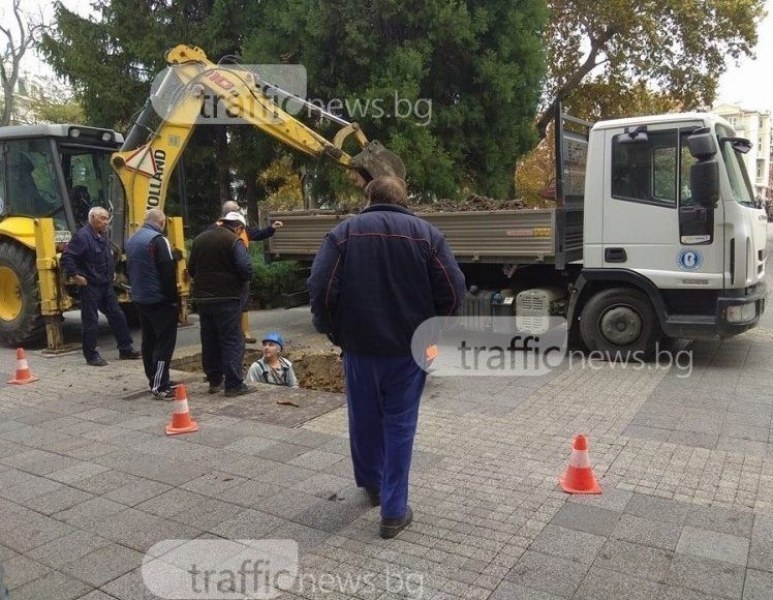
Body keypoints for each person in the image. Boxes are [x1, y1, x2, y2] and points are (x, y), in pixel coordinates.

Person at [308, 176, 466, 539]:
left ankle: (373, 485)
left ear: (368, 198)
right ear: (404, 199)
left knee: (363, 418)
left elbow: (320, 287)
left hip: (360, 349)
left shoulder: (343, 234)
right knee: (400, 424)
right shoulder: (428, 234)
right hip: (409, 351)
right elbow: (454, 290)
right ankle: (394, 512)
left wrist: (333, 330)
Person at [61, 206, 141, 366]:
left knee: (117, 315)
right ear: (92, 219)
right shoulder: (83, 237)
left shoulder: (102, 236)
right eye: (103, 218)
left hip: (105, 284)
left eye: (107, 218)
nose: (106, 222)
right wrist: (76, 275)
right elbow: (67, 257)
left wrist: (111, 272)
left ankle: (126, 349)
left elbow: (107, 256)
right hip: (90, 285)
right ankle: (91, 355)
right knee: (91, 320)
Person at [188, 211, 255, 397]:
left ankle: (214, 380)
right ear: (239, 227)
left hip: (203, 299)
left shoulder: (200, 239)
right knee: (232, 339)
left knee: (209, 339)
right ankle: (234, 384)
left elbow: (191, 268)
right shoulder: (234, 240)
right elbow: (245, 268)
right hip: (228, 298)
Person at [125, 208, 179, 399]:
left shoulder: (132, 239)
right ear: (162, 223)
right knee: (165, 343)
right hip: (159, 300)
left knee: (148, 341)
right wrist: (173, 299)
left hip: (140, 298)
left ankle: (154, 379)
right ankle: (160, 386)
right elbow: (166, 271)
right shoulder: (158, 240)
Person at [219, 201, 284, 344]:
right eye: (238, 210)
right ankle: (235, 334)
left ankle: (244, 332)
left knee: (243, 303)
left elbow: (258, 234)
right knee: (234, 303)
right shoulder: (220, 231)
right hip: (232, 274)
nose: (241, 212)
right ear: (231, 213)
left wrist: (271, 228)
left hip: (236, 274)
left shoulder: (242, 229)